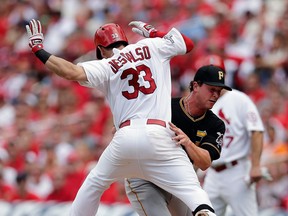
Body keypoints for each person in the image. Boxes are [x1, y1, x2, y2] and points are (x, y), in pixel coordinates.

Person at [26, 20, 216, 216]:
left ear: (100, 49)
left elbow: (70, 71)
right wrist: (153, 33)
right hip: (160, 134)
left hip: (125, 136)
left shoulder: (106, 65)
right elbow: (188, 44)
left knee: (94, 183)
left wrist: (39, 50)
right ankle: (205, 212)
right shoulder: (150, 45)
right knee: (193, 191)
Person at [125, 55, 232, 216]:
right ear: (196, 86)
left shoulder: (215, 124)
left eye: (219, 91)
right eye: (211, 89)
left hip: (177, 181)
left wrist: (188, 143)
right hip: (145, 178)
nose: (216, 95)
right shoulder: (165, 107)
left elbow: (204, 163)